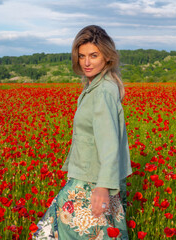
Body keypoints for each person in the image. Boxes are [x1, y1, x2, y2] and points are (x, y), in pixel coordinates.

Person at [33, 25, 132, 240]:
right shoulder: (97, 87)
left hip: (91, 185)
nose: (86, 62)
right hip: (88, 179)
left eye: (93, 55)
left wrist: (103, 187)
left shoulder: (103, 90)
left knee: (50, 235)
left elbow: (109, 143)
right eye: (82, 56)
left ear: (107, 57)